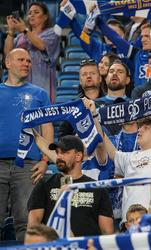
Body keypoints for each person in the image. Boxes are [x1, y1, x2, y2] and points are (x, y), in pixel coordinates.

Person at [83, 97, 151, 222]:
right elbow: (104, 141)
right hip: (129, 224)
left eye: (146, 128)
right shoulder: (129, 157)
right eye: (140, 127)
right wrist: (94, 115)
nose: (139, 130)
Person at [0, 48, 53, 241]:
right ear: (8, 63)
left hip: (28, 166)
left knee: (26, 220)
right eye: (21, 60)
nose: (26, 64)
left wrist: (46, 159)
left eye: (29, 61)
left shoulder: (40, 94)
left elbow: (47, 129)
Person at [27, 135, 114, 237]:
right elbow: (33, 223)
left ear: (78, 156)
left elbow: (107, 232)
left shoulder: (97, 188)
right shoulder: (45, 184)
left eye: (64, 152)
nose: (59, 156)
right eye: (58, 152)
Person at [4, 2, 60, 101]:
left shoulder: (52, 33)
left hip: (43, 83)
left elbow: (42, 45)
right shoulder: (20, 37)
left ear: (45, 16)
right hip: (21, 85)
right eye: (30, 13)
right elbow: (8, 54)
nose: (32, 15)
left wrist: (25, 30)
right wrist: (11, 32)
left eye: (36, 12)